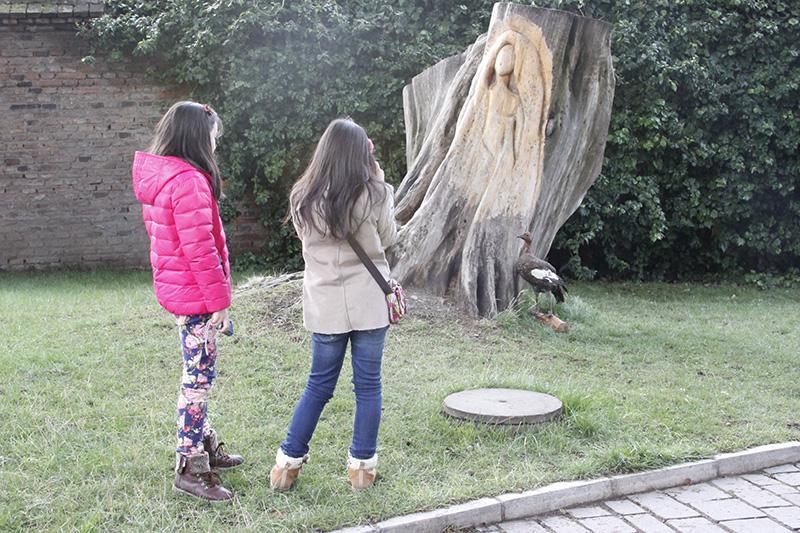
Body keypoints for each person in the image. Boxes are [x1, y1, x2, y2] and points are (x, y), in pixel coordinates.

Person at [270, 117, 397, 492]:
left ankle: (287, 466)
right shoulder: (374, 192)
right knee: (368, 386)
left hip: (324, 301)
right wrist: (379, 176)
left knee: (319, 385)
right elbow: (390, 236)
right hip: (369, 301)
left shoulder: (302, 196)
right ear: (362, 155)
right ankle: (361, 470)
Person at [131, 101, 243, 503]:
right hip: (197, 297)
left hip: (181, 292)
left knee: (199, 372)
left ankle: (205, 444)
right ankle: (189, 466)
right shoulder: (189, 181)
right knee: (197, 380)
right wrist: (220, 302)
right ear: (199, 137)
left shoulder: (166, 177)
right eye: (213, 137)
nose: (215, 145)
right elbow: (200, 251)